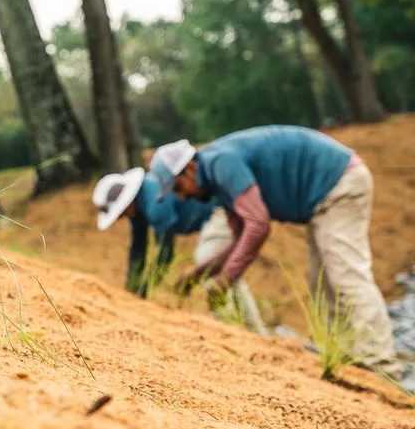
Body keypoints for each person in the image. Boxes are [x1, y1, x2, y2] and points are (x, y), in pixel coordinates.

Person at [149, 126, 405, 380]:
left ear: (190, 169)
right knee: (323, 283)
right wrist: (199, 274)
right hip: (324, 197)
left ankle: (381, 365)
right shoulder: (218, 180)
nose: (181, 198)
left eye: (178, 188)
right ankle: (353, 357)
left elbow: (258, 225)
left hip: (340, 184)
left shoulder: (221, 162)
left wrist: (224, 281)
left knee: (346, 276)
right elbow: (239, 238)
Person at [93, 167, 267, 334]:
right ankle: (253, 329)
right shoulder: (138, 205)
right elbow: (138, 250)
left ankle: (235, 329)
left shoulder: (155, 203)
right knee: (225, 272)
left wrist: (143, 292)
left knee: (209, 268)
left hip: (220, 211)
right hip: (214, 215)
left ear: (127, 202)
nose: (122, 217)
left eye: (121, 213)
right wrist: (130, 291)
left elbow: (165, 253)